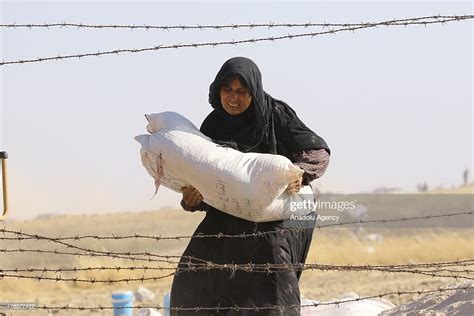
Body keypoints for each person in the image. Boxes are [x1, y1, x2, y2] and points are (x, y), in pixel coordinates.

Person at [170, 57, 330, 316]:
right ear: (217, 90)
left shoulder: (275, 114)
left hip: (278, 217)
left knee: (269, 277)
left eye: (242, 91)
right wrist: (193, 199)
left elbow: (318, 153)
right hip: (230, 215)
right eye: (228, 90)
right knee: (196, 274)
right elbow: (207, 177)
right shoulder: (213, 124)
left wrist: (300, 173)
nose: (234, 98)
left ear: (254, 92)